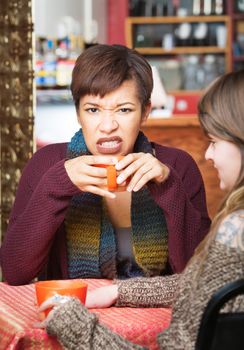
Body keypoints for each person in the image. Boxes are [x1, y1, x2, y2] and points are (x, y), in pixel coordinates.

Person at [37, 70, 244, 349]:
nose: (208, 155)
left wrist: (73, 323)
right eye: (93, 109)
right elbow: (202, 285)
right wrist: (119, 291)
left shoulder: (236, 229)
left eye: (215, 141)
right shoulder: (49, 163)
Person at [0, 44, 210, 286]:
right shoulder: (47, 164)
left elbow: (201, 279)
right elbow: (15, 272)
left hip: (160, 321)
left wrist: (169, 187)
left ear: (145, 112)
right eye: (93, 110)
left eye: (124, 109)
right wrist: (59, 184)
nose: (108, 126)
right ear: (78, 114)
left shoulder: (177, 167)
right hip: (71, 318)